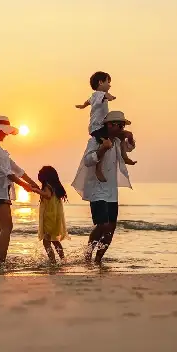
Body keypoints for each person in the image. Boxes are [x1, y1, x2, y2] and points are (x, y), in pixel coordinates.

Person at [71, 111, 135, 264]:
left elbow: (129, 148)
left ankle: (98, 259)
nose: (120, 127)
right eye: (117, 124)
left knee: (111, 227)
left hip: (112, 191)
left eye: (122, 125)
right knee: (103, 225)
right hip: (97, 189)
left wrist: (130, 137)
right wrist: (102, 149)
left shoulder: (118, 142)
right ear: (108, 125)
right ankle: (88, 254)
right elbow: (88, 160)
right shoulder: (95, 141)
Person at [0, 115, 39, 265]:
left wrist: (33, 183)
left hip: (0, 191)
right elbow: (6, 172)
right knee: (7, 227)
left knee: (3, 227)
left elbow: (15, 167)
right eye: (4, 132)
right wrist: (25, 186)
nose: (6, 135)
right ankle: (0, 262)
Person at [75, 71, 136, 182]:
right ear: (100, 82)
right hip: (97, 127)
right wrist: (110, 96)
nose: (109, 85)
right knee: (105, 144)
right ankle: (98, 168)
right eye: (108, 82)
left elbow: (87, 102)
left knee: (121, 138)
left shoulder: (93, 96)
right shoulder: (100, 95)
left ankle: (124, 156)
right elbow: (105, 95)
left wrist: (83, 106)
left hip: (98, 126)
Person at [32, 166, 69, 264]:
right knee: (55, 240)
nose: (39, 174)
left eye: (40, 172)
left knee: (46, 241)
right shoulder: (54, 187)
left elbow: (47, 196)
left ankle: (52, 261)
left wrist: (37, 191)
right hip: (54, 217)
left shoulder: (47, 186)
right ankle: (62, 259)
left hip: (49, 217)